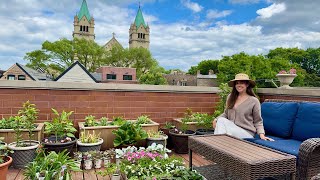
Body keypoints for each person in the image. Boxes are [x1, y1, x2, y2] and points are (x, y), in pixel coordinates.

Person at [212, 73, 274, 141]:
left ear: (247, 84)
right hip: (232, 130)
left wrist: (262, 135)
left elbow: (258, 121)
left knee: (223, 125)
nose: (239, 85)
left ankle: (217, 145)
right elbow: (226, 114)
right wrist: (216, 119)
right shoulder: (230, 97)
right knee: (221, 121)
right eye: (237, 83)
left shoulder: (254, 101)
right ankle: (219, 146)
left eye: (242, 83)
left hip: (246, 133)